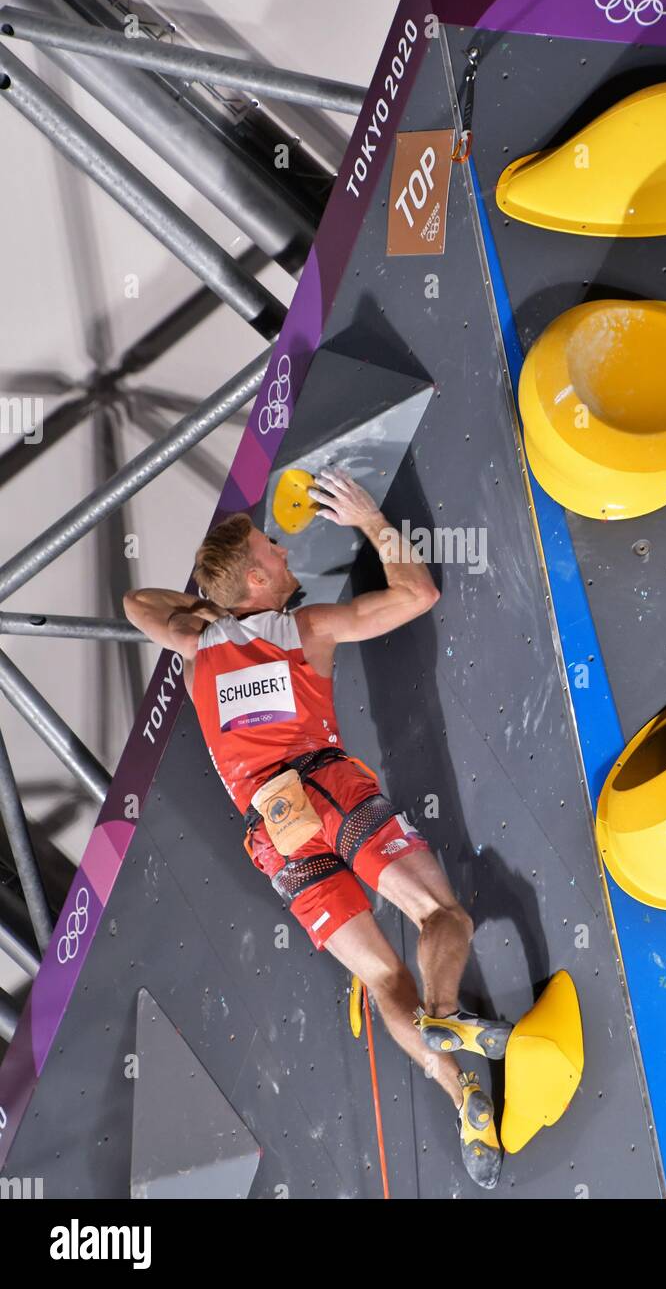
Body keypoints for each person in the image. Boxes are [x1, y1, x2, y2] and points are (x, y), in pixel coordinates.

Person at [123, 468, 510, 1190]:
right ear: (256, 585)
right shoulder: (306, 628)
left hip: (274, 834)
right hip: (326, 788)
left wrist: (209, 611)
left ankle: (466, 1103)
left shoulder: (197, 645)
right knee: (439, 913)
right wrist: (370, 521)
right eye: (273, 551)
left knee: (380, 974)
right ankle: (446, 1012)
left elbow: (136, 603)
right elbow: (418, 595)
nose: (286, 552)